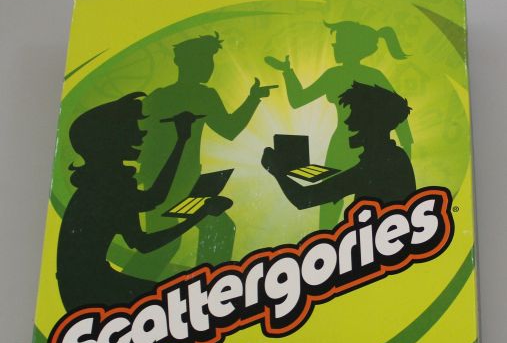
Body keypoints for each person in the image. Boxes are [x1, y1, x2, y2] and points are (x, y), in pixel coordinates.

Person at [57, 92, 231, 311]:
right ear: (111, 138)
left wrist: (181, 140)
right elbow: (144, 243)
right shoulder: (108, 187)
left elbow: (154, 198)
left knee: (177, 299)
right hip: (87, 291)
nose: (141, 133)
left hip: (81, 284)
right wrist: (201, 213)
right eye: (132, 127)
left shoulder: (104, 181)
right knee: (180, 303)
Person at [123, 32, 276, 280]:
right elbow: (138, 137)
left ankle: (208, 287)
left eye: (210, 61)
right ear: (184, 63)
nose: (209, 67)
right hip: (162, 185)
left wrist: (253, 99)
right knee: (165, 245)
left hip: (186, 182)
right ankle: (128, 290)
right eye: (203, 61)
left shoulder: (200, 96)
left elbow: (228, 129)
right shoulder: (167, 98)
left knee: (214, 228)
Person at [265, 21, 412, 228]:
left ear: (352, 46)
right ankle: (329, 239)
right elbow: (298, 100)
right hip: (346, 144)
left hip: (357, 143)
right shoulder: (344, 75)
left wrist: (406, 149)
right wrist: (287, 71)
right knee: (333, 201)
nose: (334, 47)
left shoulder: (368, 76)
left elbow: (398, 112)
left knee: (342, 200)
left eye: (338, 43)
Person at [262, 82, 415, 210]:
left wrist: (277, 171)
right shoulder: (392, 156)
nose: (347, 122)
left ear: (373, 125)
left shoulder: (376, 165)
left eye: (355, 116)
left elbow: (304, 198)